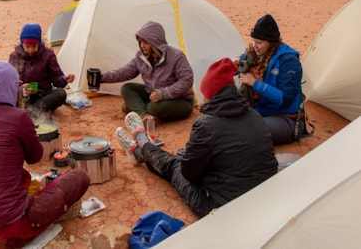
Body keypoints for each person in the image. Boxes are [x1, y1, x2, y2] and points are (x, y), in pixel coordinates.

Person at [115, 57, 278, 218]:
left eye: (204, 93)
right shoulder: (255, 116)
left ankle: (141, 144)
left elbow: (188, 174)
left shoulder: (206, 125)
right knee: (189, 158)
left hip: (218, 205)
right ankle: (139, 151)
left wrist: (189, 159)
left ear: (210, 95)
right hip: (261, 194)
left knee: (174, 166)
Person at [0, 60, 89, 249]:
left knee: (19, 182)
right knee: (79, 176)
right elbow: (35, 157)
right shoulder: (18, 117)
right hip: (8, 230)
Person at [100, 20, 194, 126]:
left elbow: (187, 80)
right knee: (127, 88)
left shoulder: (176, 56)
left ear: (155, 41)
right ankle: (144, 116)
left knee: (154, 107)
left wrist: (163, 93)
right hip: (154, 95)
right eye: (140, 42)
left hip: (180, 100)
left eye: (145, 42)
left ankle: (136, 107)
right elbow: (125, 72)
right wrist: (104, 77)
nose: (142, 45)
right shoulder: (141, 57)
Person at [234, 14, 304, 145]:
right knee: (223, 125)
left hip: (285, 117)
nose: (255, 46)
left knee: (247, 132)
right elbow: (237, 68)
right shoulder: (252, 54)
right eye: (253, 41)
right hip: (258, 112)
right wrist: (232, 65)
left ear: (271, 42)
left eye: (259, 42)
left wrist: (255, 83)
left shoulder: (289, 61)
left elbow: (285, 100)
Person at [8, 23, 74, 116]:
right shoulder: (14, 56)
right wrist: (21, 90)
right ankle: (39, 111)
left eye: (34, 46)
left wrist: (64, 79)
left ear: (39, 43)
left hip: (43, 95)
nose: (31, 50)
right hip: (25, 97)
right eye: (27, 47)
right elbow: (10, 82)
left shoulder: (48, 54)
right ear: (22, 44)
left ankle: (32, 111)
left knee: (61, 93)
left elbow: (56, 80)